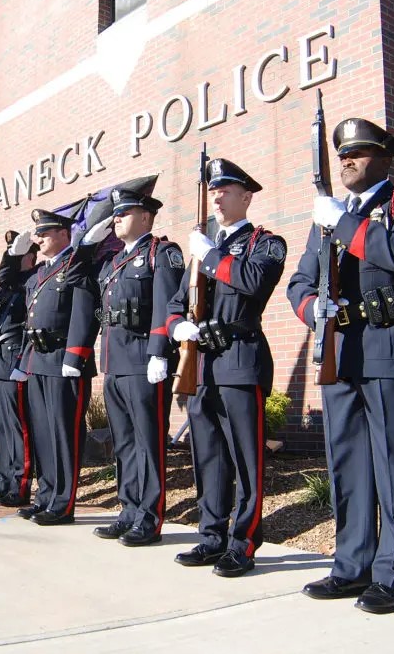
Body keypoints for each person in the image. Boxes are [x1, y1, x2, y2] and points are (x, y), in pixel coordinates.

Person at [287, 118, 394, 614]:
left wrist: (345, 224)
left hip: (393, 345)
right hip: (342, 350)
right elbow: (300, 283)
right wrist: (312, 310)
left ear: (385, 156)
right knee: (347, 464)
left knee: (393, 465)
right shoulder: (327, 217)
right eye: (342, 153)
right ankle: (351, 567)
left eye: (358, 151)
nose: (346, 160)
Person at [166, 159, 286, 576]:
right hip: (202, 365)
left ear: (247, 196)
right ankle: (211, 537)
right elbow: (175, 304)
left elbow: (254, 282)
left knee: (245, 459)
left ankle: (244, 543)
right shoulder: (202, 252)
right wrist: (177, 324)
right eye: (213, 191)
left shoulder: (266, 243)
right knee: (209, 458)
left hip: (240, 360)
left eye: (226, 190)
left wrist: (210, 255)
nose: (216, 196)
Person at [76, 176, 185, 547]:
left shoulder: (161, 253)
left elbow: (168, 304)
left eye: (124, 212)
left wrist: (159, 351)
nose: (117, 219)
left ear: (146, 217)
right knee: (123, 443)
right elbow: (76, 276)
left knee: (147, 443)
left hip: (143, 361)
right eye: (115, 213)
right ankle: (128, 510)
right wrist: (88, 243)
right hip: (115, 363)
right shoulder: (111, 262)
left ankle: (149, 518)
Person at [0, 209, 99, 526]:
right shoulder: (41, 272)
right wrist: (11, 256)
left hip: (63, 360)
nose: (38, 239)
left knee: (63, 433)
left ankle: (63, 503)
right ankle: (46, 496)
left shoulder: (77, 264)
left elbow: (84, 312)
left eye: (44, 233)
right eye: (37, 234)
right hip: (37, 360)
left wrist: (76, 355)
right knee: (43, 434)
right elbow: (8, 283)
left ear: (63, 234)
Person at [0, 230, 38, 507]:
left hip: (14, 357)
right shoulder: (8, 286)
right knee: (0, 426)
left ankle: (20, 483)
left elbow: (6, 276)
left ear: (30, 256)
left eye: (18, 253)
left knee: (17, 427)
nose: (13, 258)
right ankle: (2, 480)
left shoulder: (30, 281)